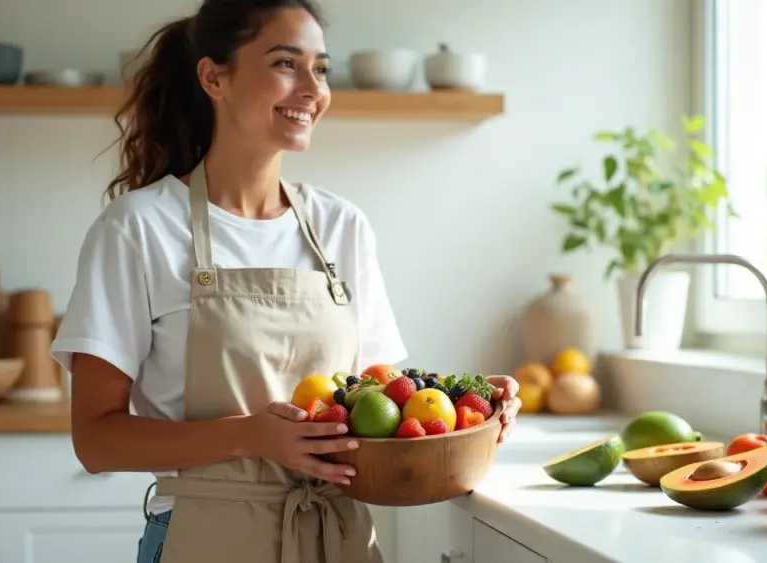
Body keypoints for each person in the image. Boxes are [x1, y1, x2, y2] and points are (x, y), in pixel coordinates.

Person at [49, 1, 522, 562]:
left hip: (337, 538)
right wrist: (249, 435)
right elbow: (96, 441)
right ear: (214, 78)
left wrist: (467, 404)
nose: (313, 89)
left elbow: (379, 402)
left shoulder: (340, 226)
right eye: (285, 63)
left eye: (320, 69)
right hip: (204, 538)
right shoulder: (138, 228)